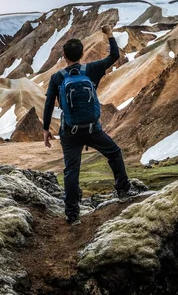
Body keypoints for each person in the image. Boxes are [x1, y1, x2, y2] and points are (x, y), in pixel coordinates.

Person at [42, 24, 136, 225]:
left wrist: (45, 130)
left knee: (71, 171)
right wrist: (109, 35)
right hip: (93, 129)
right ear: (82, 54)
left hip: (69, 132)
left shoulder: (57, 77)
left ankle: (73, 215)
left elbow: (49, 103)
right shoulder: (92, 69)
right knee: (114, 153)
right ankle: (123, 191)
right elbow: (113, 57)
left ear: (64, 57)